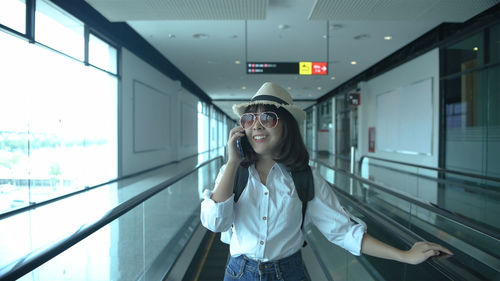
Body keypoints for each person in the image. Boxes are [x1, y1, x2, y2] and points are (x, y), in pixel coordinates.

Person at [200, 82, 453, 281]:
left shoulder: (305, 178)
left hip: (289, 273)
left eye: (268, 118)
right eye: (249, 119)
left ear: (286, 126)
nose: (257, 126)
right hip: (239, 273)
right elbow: (215, 223)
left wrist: (405, 255)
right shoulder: (232, 172)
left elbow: (343, 231)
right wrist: (233, 162)